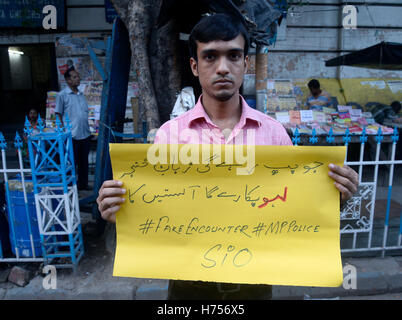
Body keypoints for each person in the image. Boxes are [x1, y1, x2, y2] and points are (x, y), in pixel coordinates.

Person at [96, 13, 359, 300]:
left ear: (246, 63)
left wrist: (337, 197)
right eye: (210, 57)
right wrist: (118, 209)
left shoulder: (274, 135)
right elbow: (154, 212)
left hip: (255, 287)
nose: (222, 68)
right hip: (188, 289)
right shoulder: (169, 136)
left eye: (233, 56)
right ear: (195, 66)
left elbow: (295, 209)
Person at [55, 68, 91, 191]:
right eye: (75, 77)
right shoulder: (62, 95)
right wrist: (63, 132)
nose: (78, 79)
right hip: (71, 135)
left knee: (83, 162)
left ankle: (83, 184)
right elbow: (58, 114)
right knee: (72, 162)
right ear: (68, 80)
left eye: (78, 76)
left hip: (84, 133)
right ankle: (71, 187)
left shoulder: (81, 94)